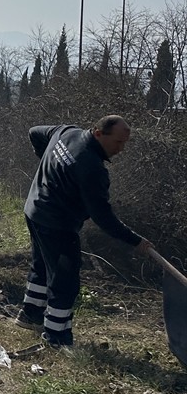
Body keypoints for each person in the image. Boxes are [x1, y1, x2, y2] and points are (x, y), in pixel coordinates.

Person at [17, 116, 153, 348]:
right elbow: (103, 217)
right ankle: (56, 338)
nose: (121, 149)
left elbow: (34, 131)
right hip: (56, 223)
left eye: (124, 143)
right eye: (118, 142)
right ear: (99, 133)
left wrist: (49, 165)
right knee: (65, 281)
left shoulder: (66, 132)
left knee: (41, 266)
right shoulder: (91, 167)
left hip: (34, 209)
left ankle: (30, 315)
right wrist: (134, 240)